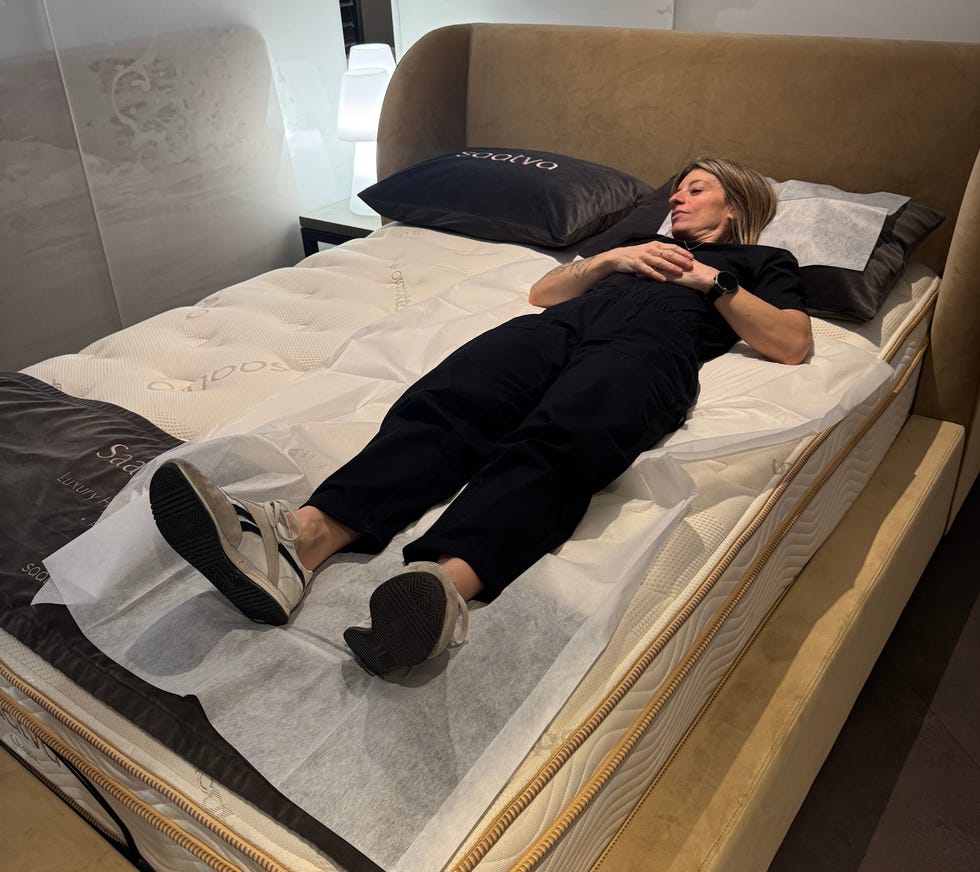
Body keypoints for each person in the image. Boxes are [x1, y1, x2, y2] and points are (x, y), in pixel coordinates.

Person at [149, 155, 812, 676]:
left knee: (560, 441)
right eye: (678, 191)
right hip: (558, 331)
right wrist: (612, 257)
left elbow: (791, 343)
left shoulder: (762, 264)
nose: (677, 198)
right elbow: (541, 291)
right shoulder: (635, 248)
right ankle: (303, 539)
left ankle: (440, 588)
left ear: (738, 201)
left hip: (646, 354)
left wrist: (712, 282)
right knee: (447, 404)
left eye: (694, 189)